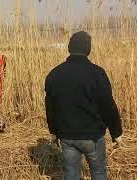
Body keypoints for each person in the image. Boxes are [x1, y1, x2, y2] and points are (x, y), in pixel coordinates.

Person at [45, 31, 123, 180]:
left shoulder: (54, 74)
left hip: (67, 136)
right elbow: (108, 105)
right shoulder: (97, 73)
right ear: (88, 49)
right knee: (99, 173)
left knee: (71, 175)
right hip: (93, 137)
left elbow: (50, 106)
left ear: (69, 47)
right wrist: (116, 132)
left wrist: (53, 132)